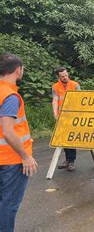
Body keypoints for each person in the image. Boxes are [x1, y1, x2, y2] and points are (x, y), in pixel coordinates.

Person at [0, 53, 37, 232]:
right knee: (9, 204)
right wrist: (25, 156)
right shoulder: (10, 96)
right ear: (18, 70)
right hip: (11, 160)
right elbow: (8, 131)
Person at [52, 67, 80, 171]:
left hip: (73, 116)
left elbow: (80, 100)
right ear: (58, 77)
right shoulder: (55, 86)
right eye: (62, 76)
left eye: (66, 75)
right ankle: (67, 159)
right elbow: (55, 100)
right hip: (62, 116)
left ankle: (72, 161)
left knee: (71, 138)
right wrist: (55, 113)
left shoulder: (75, 85)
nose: (65, 77)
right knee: (63, 139)